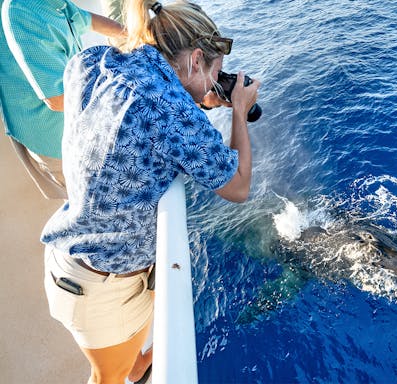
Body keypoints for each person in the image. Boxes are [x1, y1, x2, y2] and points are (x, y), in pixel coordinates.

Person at [40, 0, 259, 382]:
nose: (215, 84)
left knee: (130, 365)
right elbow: (238, 186)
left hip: (71, 258)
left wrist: (196, 96)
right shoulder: (169, 108)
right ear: (194, 60)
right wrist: (238, 110)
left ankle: (139, 369)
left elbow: (145, 115)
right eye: (215, 72)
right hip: (100, 290)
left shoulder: (92, 62)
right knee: (107, 378)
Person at [0, 0, 124, 199]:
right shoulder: (20, 10)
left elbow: (87, 20)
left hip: (78, 124)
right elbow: (57, 99)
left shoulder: (51, 3)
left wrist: (135, 37)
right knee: (102, 205)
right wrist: (124, 93)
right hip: (55, 139)